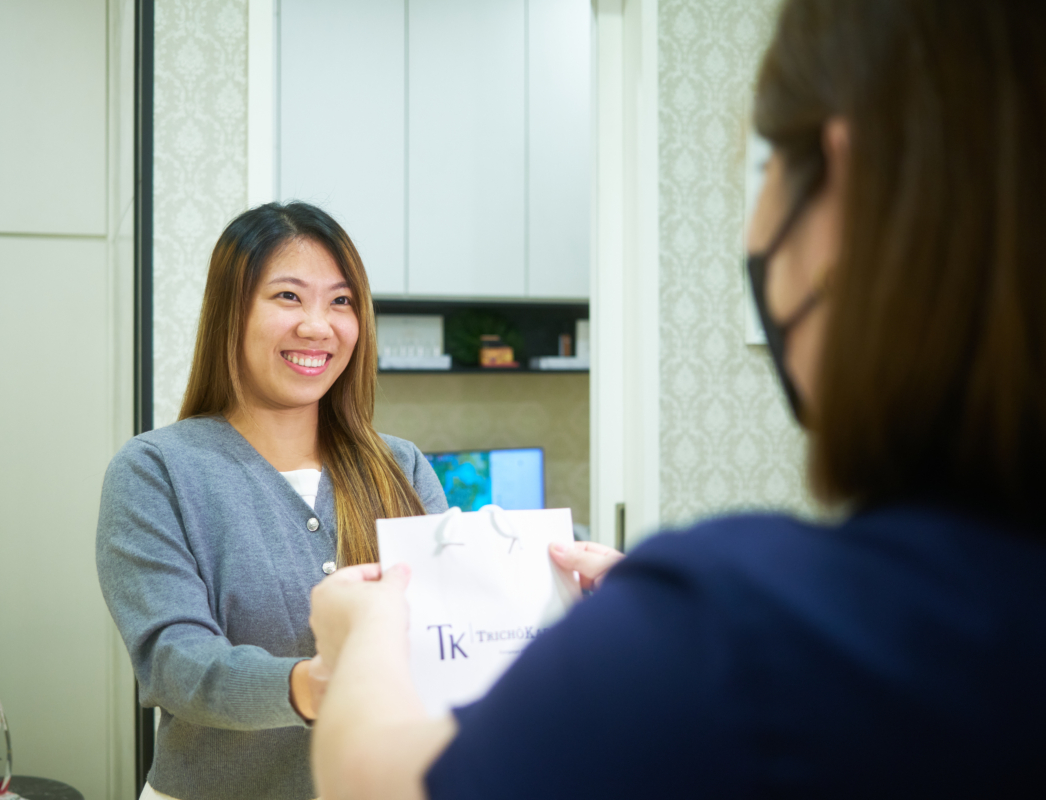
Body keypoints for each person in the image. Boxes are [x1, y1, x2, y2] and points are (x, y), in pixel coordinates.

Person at [306, 0, 1046, 797]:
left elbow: (379, 780)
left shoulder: (730, 630)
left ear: (844, 193)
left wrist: (370, 629)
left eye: (764, 170)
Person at [95, 202, 448, 800]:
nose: (318, 326)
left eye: (340, 301)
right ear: (230, 313)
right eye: (288, 296)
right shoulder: (157, 471)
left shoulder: (402, 466)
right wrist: (313, 684)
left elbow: (451, 629)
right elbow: (175, 662)